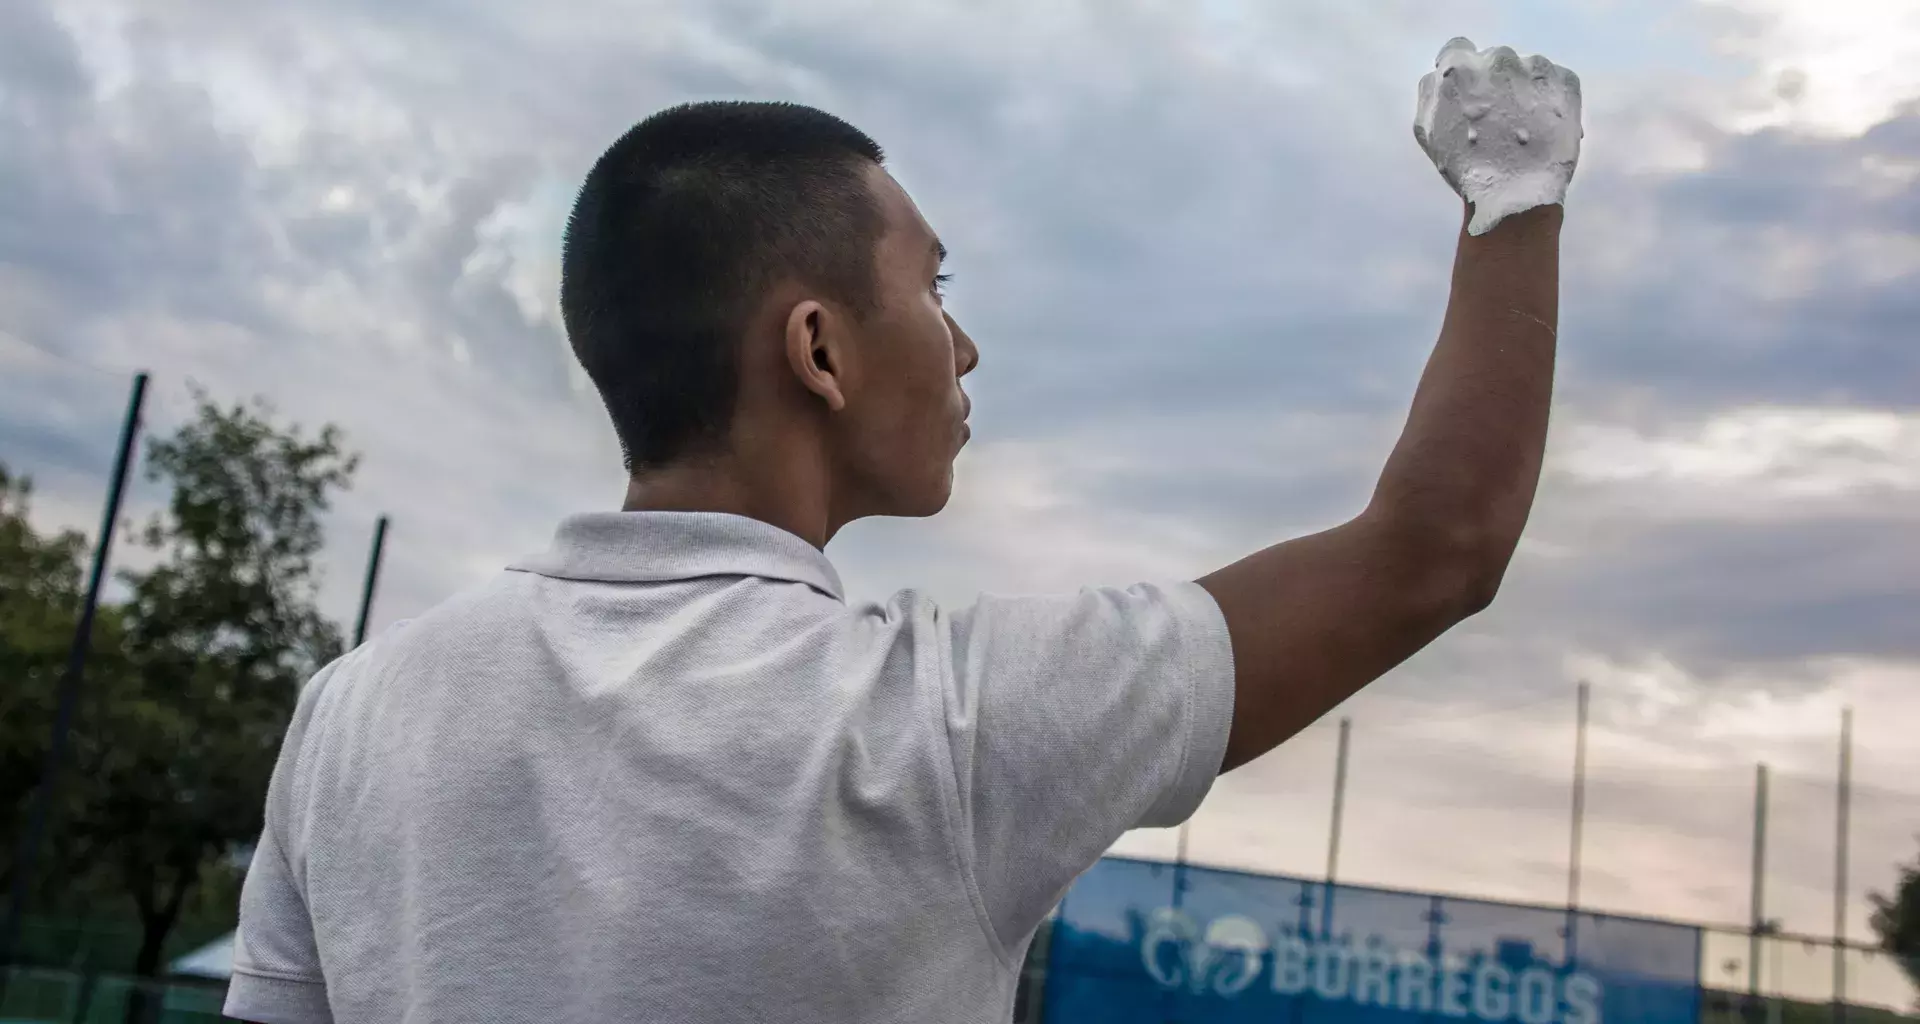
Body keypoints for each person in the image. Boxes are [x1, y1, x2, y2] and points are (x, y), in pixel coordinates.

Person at [226, 38, 1580, 1024]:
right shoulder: (947, 724)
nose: (965, 340)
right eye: (936, 286)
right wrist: (1514, 203)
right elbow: (1436, 546)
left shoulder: (352, 715)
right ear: (819, 349)